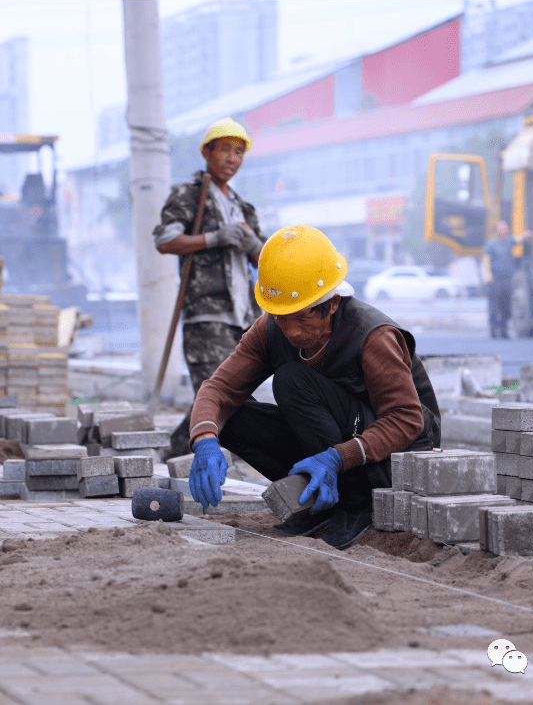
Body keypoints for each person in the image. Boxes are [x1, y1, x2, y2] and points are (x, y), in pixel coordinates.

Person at [188, 225, 441, 549]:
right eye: (281, 317)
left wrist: (337, 458)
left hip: (403, 448)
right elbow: (218, 389)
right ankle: (318, 501)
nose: (291, 331)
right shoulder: (270, 330)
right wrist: (205, 440)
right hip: (339, 439)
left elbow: (406, 418)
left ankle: (353, 504)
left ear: (332, 304)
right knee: (231, 418)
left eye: (302, 317)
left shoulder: (372, 334)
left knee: (292, 380)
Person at [154, 117, 266, 456]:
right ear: (207, 153)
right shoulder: (189, 196)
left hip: (244, 316)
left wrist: (253, 245)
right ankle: (181, 452)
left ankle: (178, 450)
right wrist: (213, 238)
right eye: (224, 151)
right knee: (215, 395)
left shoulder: (242, 207)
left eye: (238, 152)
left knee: (234, 397)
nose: (232, 159)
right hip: (206, 314)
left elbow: (265, 260)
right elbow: (165, 239)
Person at [482, 221, 516, 339]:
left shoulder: (509, 241)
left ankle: (504, 330)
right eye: (502, 229)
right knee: (494, 306)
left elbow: (520, 239)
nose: (504, 231)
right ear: (496, 232)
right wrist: (488, 275)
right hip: (495, 279)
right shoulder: (491, 244)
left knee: (506, 306)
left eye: (506, 228)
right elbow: (486, 260)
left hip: (507, 279)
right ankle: (493, 330)